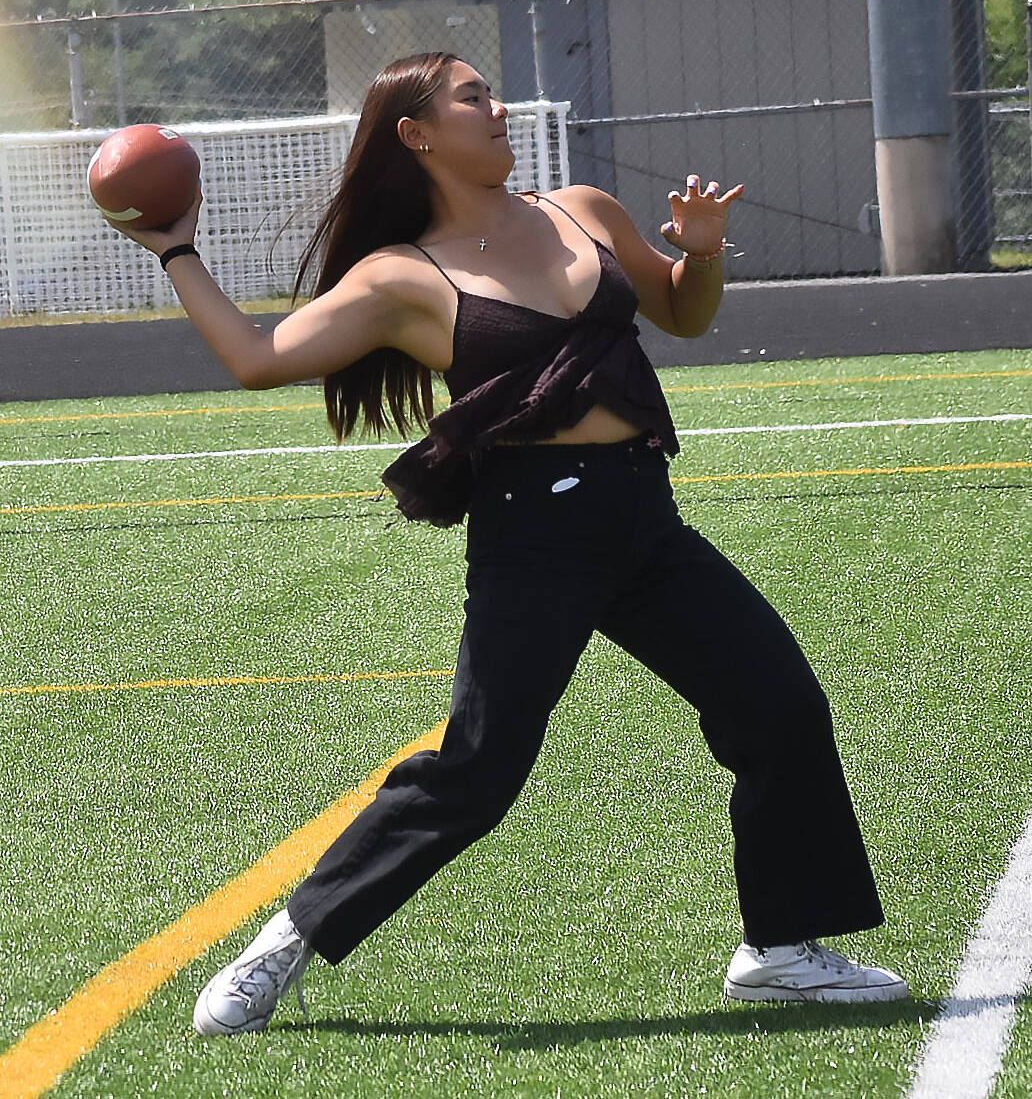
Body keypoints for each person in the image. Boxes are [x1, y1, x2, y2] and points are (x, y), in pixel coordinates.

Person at [109, 51, 907, 1035]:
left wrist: (701, 251)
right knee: (476, 773)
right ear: (419, 135)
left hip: (642, 514)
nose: (496, 107)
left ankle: (782, 946)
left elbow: (685, 317)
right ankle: (286, 942)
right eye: (472, 97)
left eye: (491, 92)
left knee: (781, 703)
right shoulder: (402, 274)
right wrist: (176, 250)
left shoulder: (584, 208)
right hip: (535, 533)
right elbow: (255, 357)